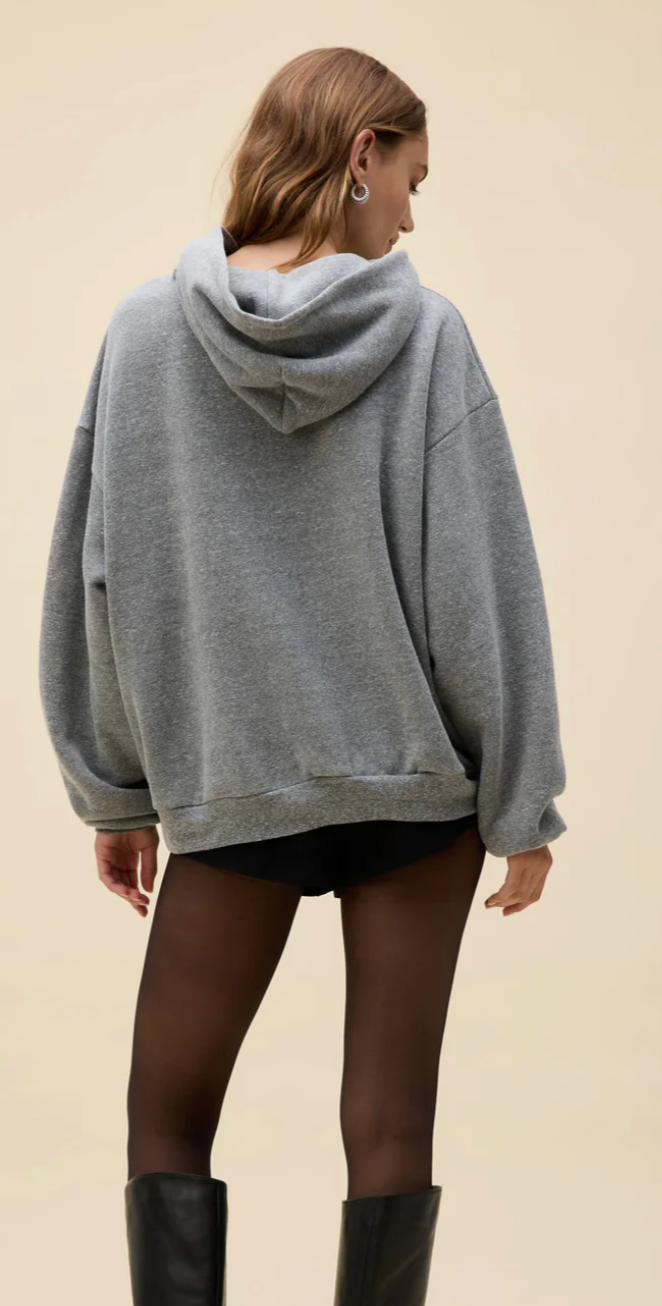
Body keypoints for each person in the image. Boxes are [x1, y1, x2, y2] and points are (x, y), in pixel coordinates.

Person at [38, 45, 568, 1306]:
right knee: (388, 1126)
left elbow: (97, 575)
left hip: (237, 782)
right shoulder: (426, 336)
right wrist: (520, 804)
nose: (410, 218)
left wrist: (116, 791)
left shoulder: (144, 334)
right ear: (359, 156)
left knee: (166, 1121)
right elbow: (482, 584)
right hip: (413, 793)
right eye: (411, 181)